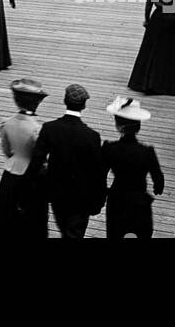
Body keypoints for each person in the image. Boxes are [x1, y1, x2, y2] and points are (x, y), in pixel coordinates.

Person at [28, 83, 106, 239]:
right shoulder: (92, 136)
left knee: (64, 228)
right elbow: (98, 172)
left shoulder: (50, 128)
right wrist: (99, 201)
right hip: (81, 196)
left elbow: (36, 161)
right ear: (84, 106)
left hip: (57, 192)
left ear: (65, 101)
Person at [0, 78, 49, 239]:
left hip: (10, 173)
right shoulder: (37, 129)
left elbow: (7, 150)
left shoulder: (6, 123)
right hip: (31, 175)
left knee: (5, 216)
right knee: (32, 220)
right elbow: (40, 157)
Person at [101, 97, 164, 239]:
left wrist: (104, 192)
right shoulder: (147, 151)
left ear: (118, 126)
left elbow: (100, 175)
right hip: (139, 200)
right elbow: (158, 179)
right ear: (138, 127)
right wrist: (157, 188)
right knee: (142, 233)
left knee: (115, 233)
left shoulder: (110, 149)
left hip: (117, 198)